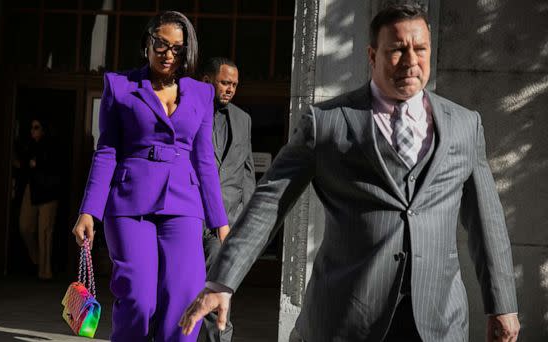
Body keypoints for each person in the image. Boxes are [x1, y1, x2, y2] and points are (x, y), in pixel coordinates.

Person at [180, 3, 520, 342]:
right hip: (348, 316)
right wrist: (221, 280)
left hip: (439, 321)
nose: (411, 61)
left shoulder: (464, 124)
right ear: (372, 56)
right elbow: (269, 202)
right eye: (398, 49)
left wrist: (502, 304)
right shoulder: (327, 122)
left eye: (420, 49)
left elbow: (486, 221)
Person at [71, 11, 229, 342]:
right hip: (130, 206)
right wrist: (89, 210)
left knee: (183, 300)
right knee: (138, 300)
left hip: (184, 205)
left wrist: (220, 220)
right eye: (161, 44)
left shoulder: (202, 94)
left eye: (177, 48)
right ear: (148, 43)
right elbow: (107, 151)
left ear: (187, 52)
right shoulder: (120, 86)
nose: (168, 53)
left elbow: (204, 160)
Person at [197, 57, 256, 342]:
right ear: (208, 81)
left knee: (219, 295)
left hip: (224, 228)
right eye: (225, 82)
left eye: (234, 84)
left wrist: (244, 220)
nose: (230, 89)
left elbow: (246, 174)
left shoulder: (243, 119)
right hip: (189, 219)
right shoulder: (190, 111)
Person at [17, 118, 61, 280]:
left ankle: (45, 271)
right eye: (31, 127)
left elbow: (56, 166)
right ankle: (37, 261)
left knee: (45, 232)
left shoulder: (52, 146)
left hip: (48, 191)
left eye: (36, 127)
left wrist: (38, 164)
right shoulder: (29, 146)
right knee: (25, 226)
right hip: (33, 189)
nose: (32, 131)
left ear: (44, 130)